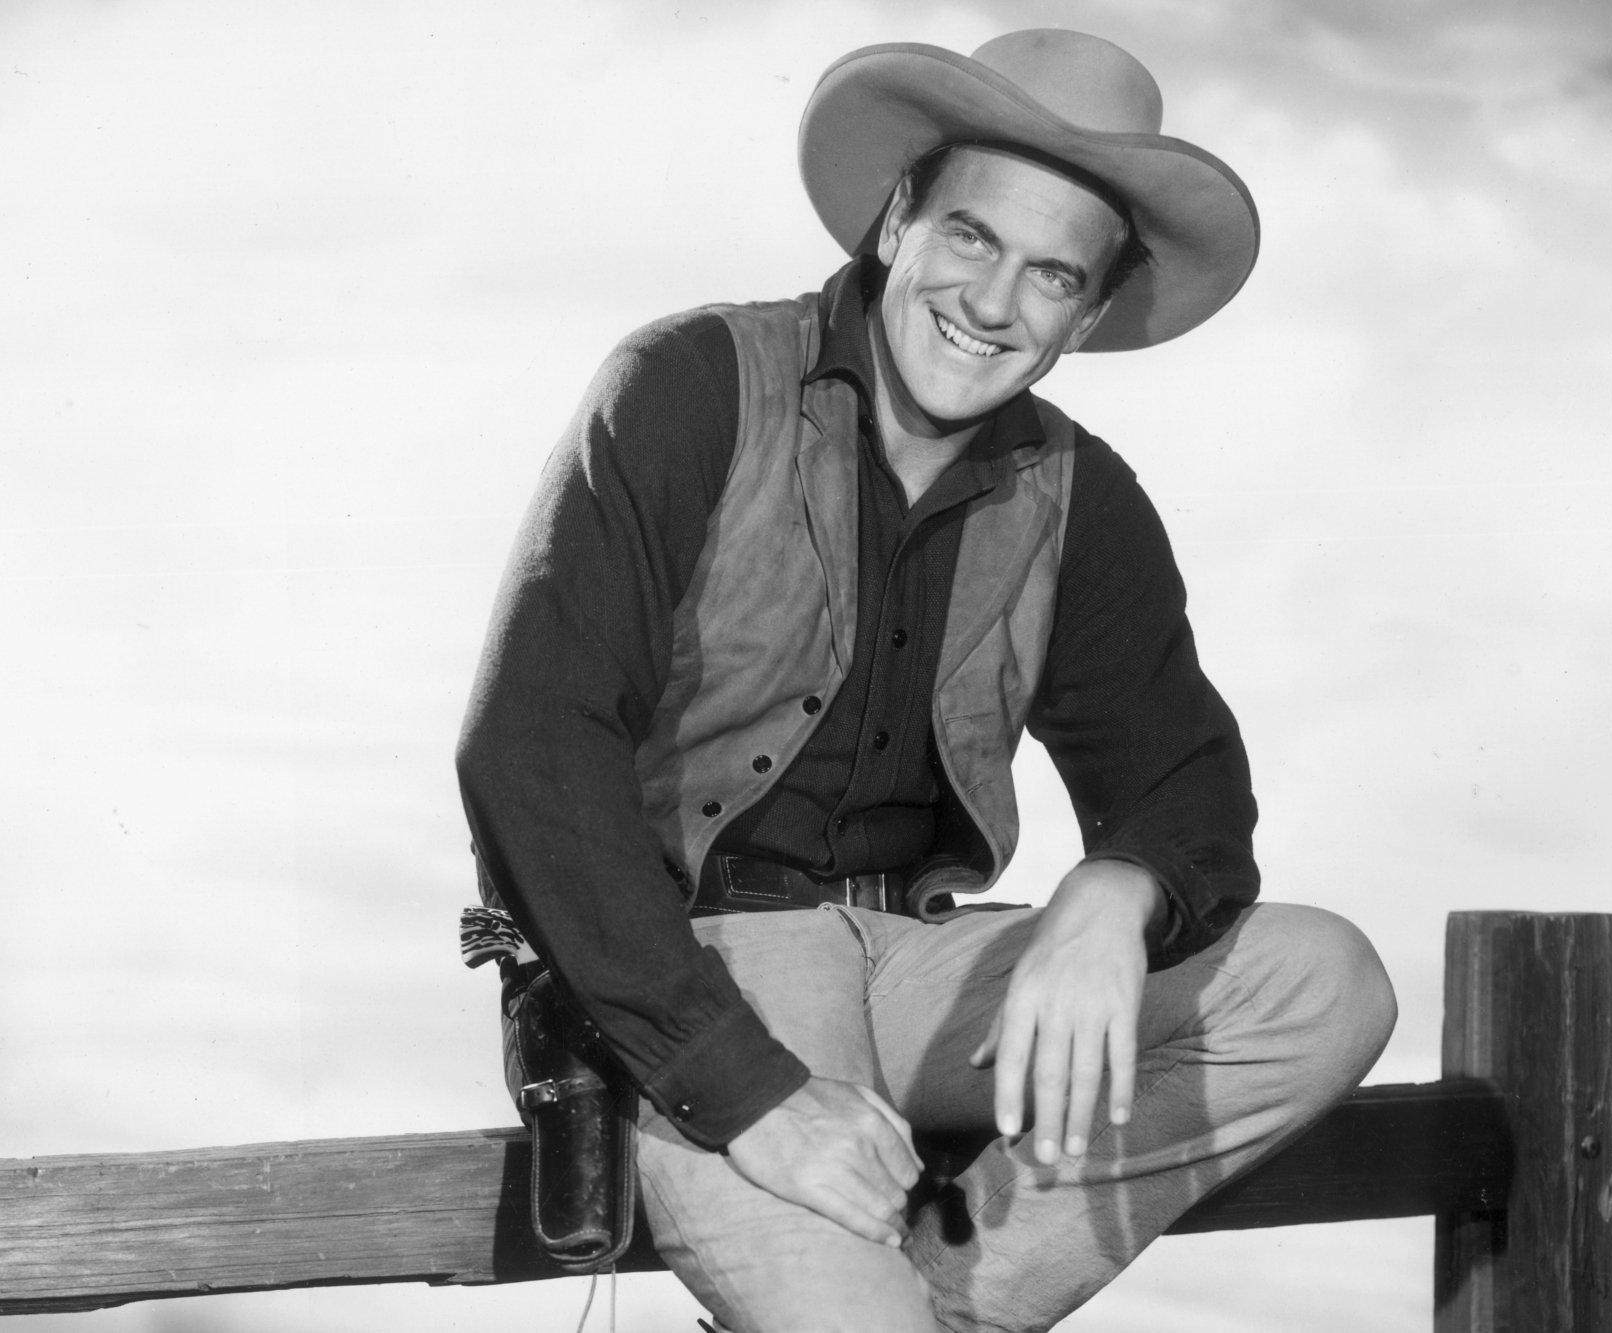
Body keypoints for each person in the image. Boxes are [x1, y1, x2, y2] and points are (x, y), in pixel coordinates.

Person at [457, 29, 1397, 1333]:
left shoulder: (1081, 495)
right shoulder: (690, 386)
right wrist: (746, 1089)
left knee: (1322, 981)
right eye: (971, 237)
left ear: (1086, 313)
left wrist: (1112, 893)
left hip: (921, 968)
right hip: (705, 968)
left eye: (1052, 274)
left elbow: (1186, 782)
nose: (996, 302)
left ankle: (939, 1304)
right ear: (897, 218)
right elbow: (528, 750)